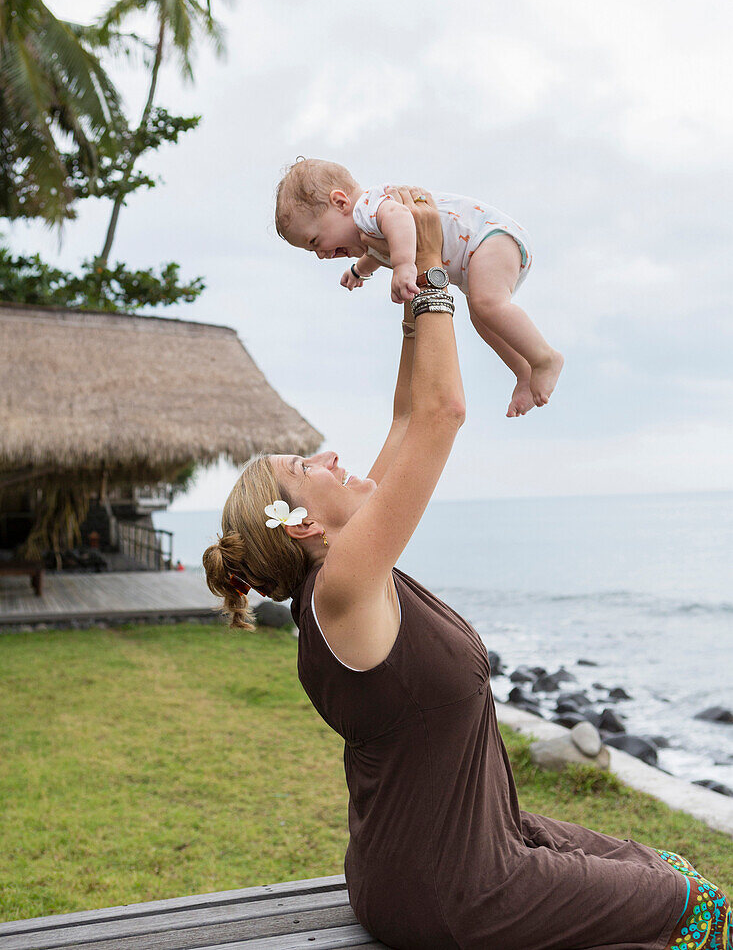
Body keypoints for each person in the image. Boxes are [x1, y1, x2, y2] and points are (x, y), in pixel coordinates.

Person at [204, 190, 730, 950]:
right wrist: (441, 280)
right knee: (700, 909)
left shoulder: (347, 575)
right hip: (457, 889)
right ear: (305, 523)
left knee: (670, 864)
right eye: (303, 465)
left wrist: (413, 287)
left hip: (460, 850)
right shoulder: (347, 584)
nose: (326, 455)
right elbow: (442, 415)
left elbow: (404, 417)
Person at [274, 157, 563, 418]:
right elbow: (376, 251)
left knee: (488, 305)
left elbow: (400, 220)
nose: (321, 255)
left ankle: (546, 358)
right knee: (482, 315)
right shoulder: (366, 230)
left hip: (488, 238)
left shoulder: (368, 207)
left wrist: (403, 265)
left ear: (339, 202)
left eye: (314, 242)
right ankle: (523, 371)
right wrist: (358, 269)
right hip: (478, 253)